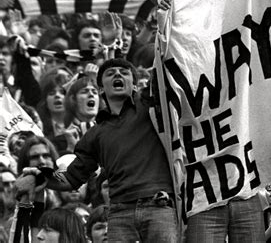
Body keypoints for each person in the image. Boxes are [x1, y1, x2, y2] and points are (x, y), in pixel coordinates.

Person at [15, 58, 181, 242]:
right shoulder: (94, 134)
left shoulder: (151, 107)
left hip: (158, 204)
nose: (118, 74)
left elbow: (166, 70)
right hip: (119, 212)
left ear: (134, 86)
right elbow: (71, 178)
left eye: (124, 72)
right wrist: (42, 176)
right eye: (110, 73)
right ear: (102, 89)